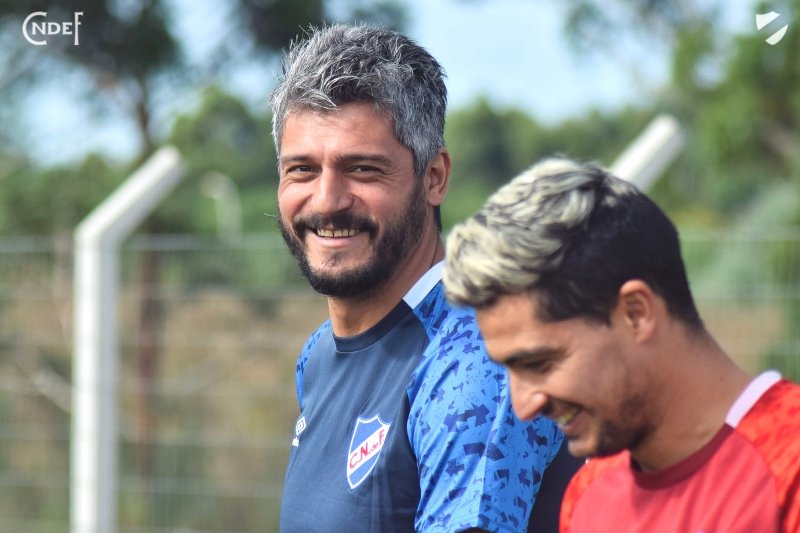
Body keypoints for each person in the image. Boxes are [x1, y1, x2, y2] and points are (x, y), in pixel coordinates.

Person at [270, 24, 580, 533]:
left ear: (434, 177)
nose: (326, 200)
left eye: (364, 170)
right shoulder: (318, 354)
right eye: (301, 169)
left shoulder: (479, 358)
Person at [442, 157, 800, 533]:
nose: (524, 405)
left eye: (540, 364)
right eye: (509, 370)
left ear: (636, 313)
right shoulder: (589, 494)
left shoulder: (789, 469)